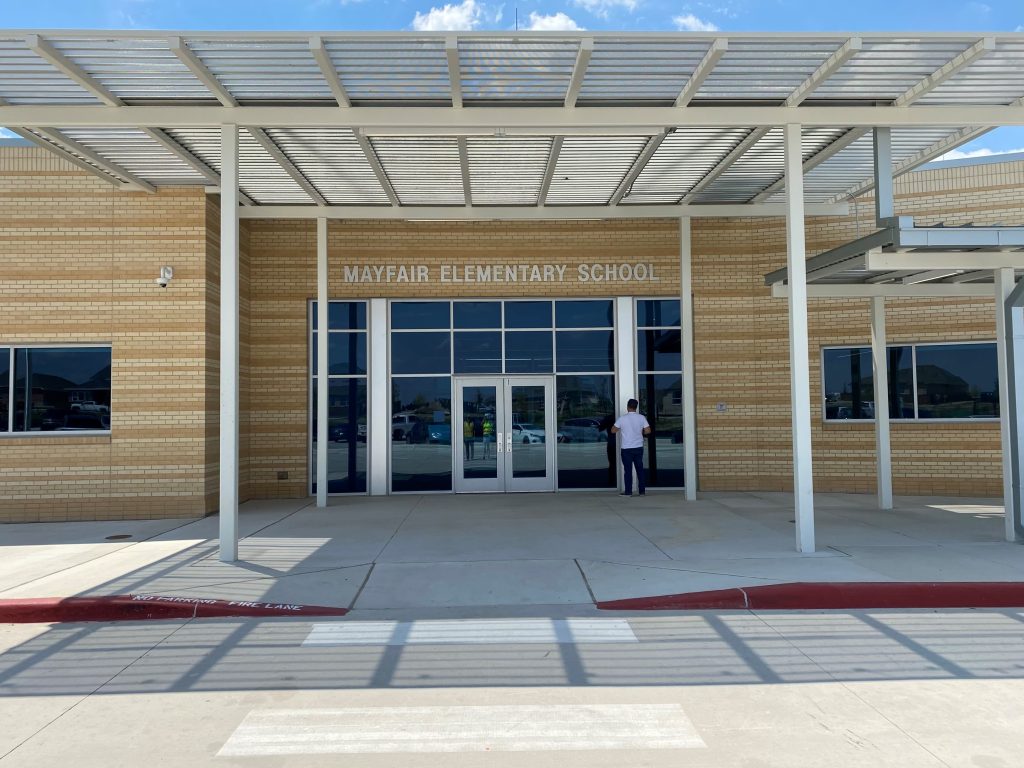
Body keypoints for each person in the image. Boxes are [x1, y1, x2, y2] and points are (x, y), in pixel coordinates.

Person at [611, 398, 651, 496]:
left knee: (628, 470)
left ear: (628, 407)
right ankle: (642, 491)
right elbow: (648, 431)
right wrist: (640, 432)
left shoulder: (622, 418)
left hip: (626, 448)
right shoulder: (641, 418)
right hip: (638, 447)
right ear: (636, 407)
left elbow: (613, 430)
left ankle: (628, 492)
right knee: (640, 469)